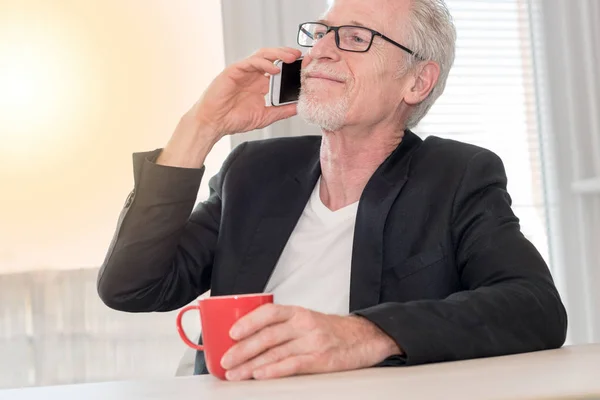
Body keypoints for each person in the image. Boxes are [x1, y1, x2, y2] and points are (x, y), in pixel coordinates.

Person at [97, 0, 567, 381]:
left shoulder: (456, 175)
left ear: (416, 81)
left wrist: (364, 335)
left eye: (356, 38)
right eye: (320, 32)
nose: (321, 49)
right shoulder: (255, 172)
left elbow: (536, 307)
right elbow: (133, 287)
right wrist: (202, 125)